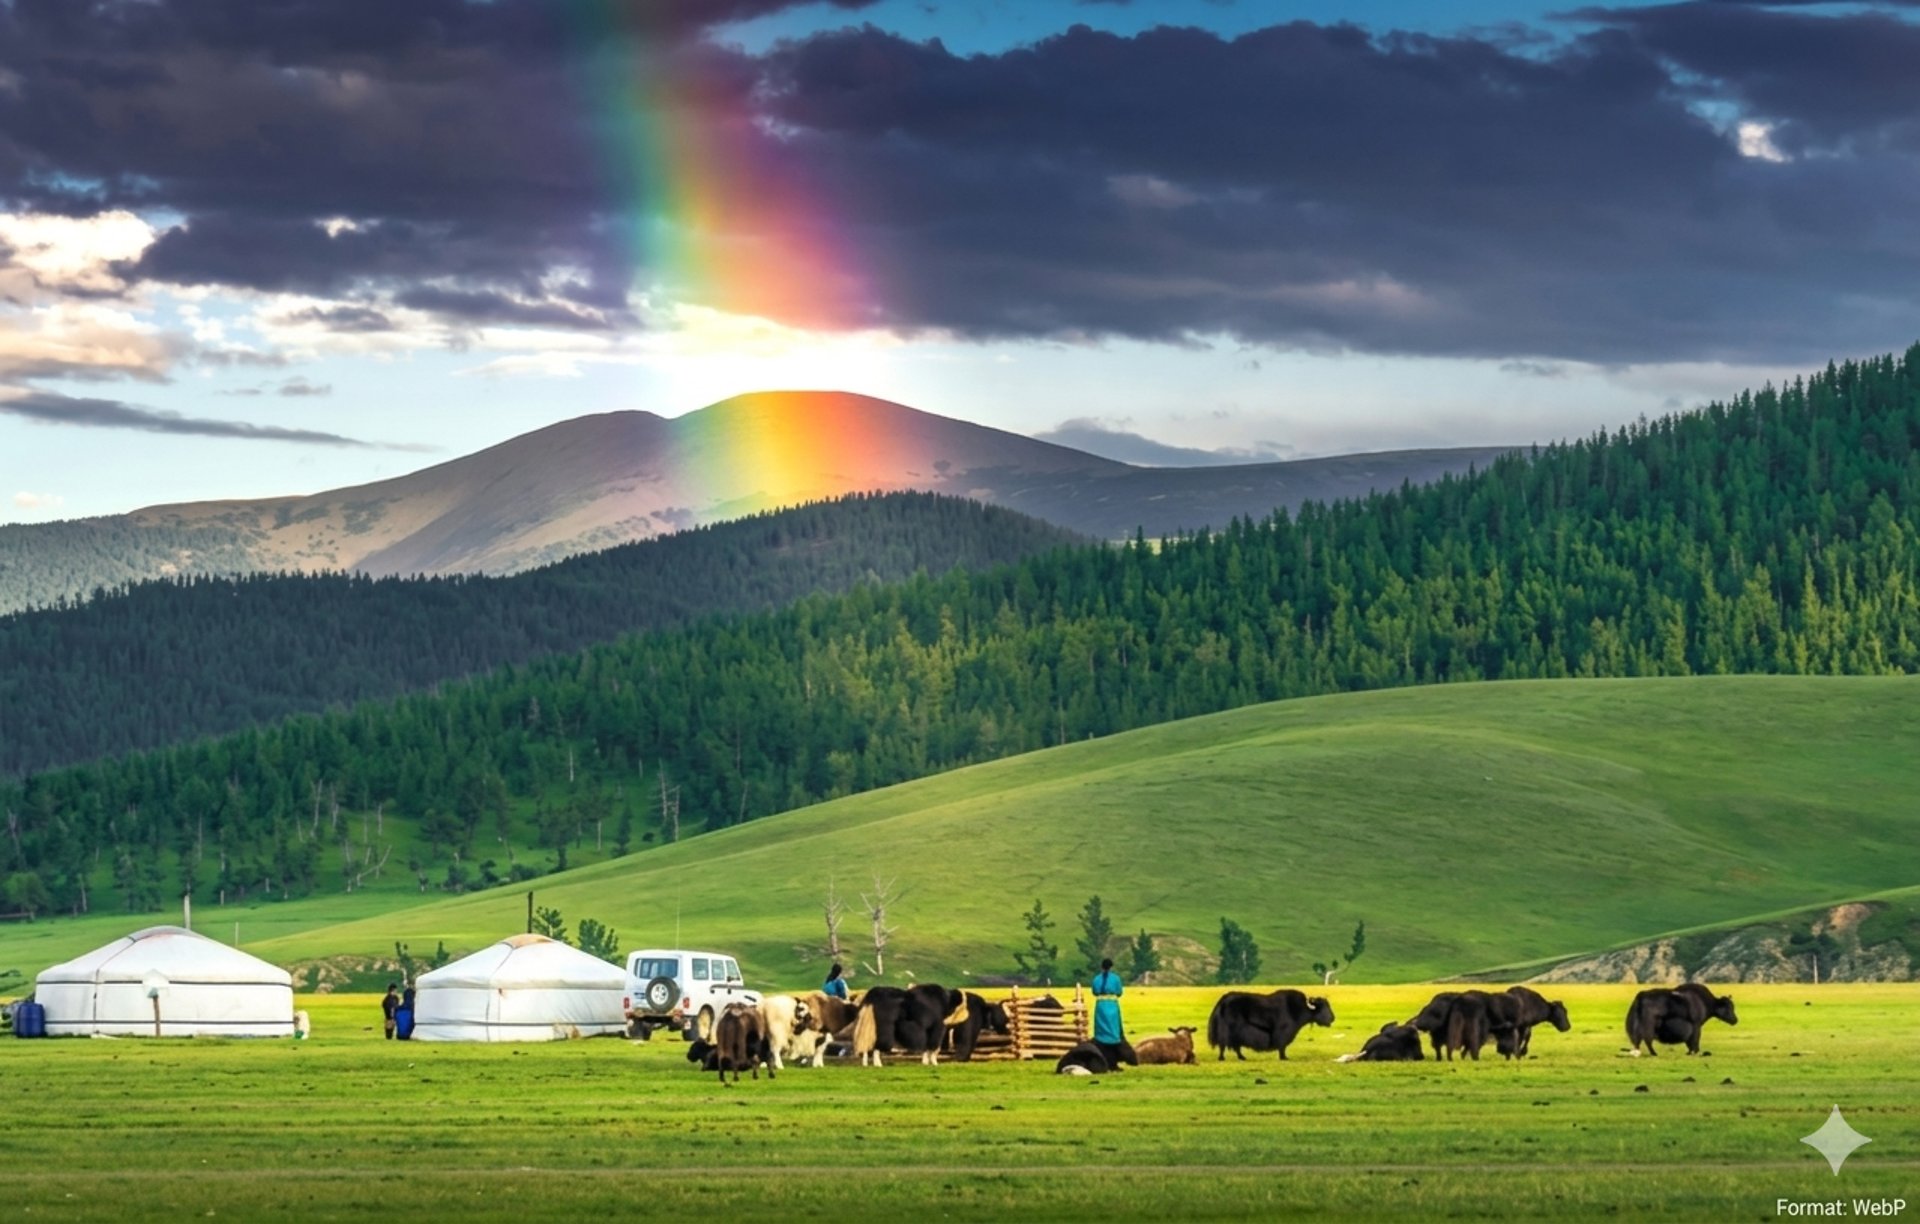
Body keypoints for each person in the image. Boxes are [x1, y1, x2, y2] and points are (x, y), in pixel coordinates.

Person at [1091, 957, 1126, 1062]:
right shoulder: (1116, 979)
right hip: (1112, 1005)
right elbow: (1119, 992)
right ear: (1111, 967)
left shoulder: (1096, 979)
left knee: (1101, 1029)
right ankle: (1114, 1056)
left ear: (1101, 967)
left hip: (1101, 1006)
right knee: (1113, 1029)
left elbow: (1094, 992)